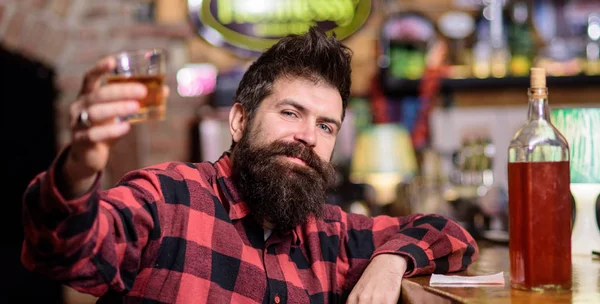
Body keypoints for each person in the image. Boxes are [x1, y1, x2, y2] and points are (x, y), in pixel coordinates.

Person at [21, 27, 478, 304]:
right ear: (239, 120)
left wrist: (391, 260)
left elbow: (450, 235)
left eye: (326, 126)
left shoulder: (332, 235)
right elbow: (64, 249)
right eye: (290, 113)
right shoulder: (170, 199)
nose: (307, 137)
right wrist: (79, 167)